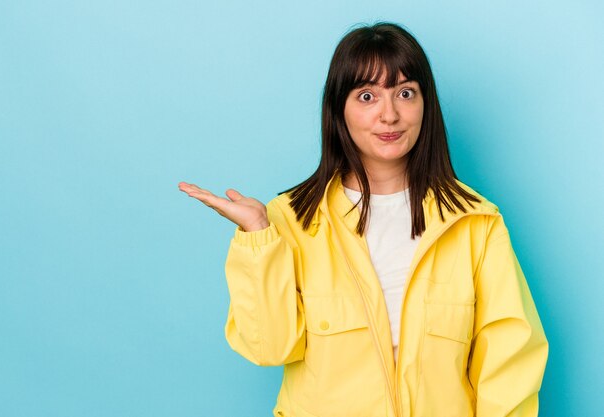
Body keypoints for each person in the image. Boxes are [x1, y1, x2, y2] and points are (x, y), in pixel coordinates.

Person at [179, 22, 548, 417]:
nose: (389, 115)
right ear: (339, 109)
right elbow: (268, 348)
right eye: (367, 96)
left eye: (405, 93)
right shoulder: (291, 219)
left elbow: (509, 360)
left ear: (427, 104)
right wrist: (257, 234)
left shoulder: (475, 222)